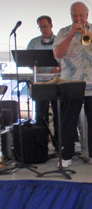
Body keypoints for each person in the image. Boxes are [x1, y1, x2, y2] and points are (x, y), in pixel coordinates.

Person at [53, 1, 92, 168]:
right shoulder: (64, 32)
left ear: (87, 15)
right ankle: (66, 155)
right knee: (69, 119)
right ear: (71, 15)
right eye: (74, 15)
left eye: (81, 15)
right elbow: (57, 54)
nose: (78, 18)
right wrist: (71, 35)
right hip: (71, 82)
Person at [27, 15, 60, 145]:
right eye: (40, 27)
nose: (43, 29)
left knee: (58, 113)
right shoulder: (34, 42)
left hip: (56, 82)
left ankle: (58, 144)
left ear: (51, 25)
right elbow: (28, 60)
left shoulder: (59, 40)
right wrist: (36, 70)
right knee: (41, 113)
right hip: (40, 83)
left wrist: (56, 70)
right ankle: (41, 144)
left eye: (45, 26)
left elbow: (67, 59)